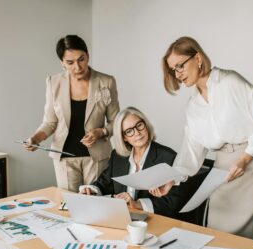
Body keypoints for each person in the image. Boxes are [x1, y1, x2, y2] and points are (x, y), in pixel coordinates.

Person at [152, 36, 253, 240]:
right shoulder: (193, 106)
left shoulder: (230, 82)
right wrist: (172, 180)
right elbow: (191, 151)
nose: (178, 74)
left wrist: (246, 157)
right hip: (225, 169)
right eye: (173, 70)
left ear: (198, 58)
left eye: (180, 66)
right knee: (218, 233)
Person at [24, 35, 120, 192]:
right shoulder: (53, 82)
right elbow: (50, 122)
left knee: (96, 203)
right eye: (70, 62)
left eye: (81, 59)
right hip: (63, 157)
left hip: (96, 157)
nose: (77, 67)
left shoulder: (106, 81)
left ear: (88, 56)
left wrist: (101, 131)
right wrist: (35, 138)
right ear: (62, 63)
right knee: (69, 206)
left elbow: (116, 121)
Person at [79, 107, 187, 218]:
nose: (137, 133)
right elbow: (104, 183)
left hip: (153, 220)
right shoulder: (118, 156)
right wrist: (90, 190)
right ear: (124, 137)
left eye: (139, 125)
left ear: (146, 125)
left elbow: (173, 203)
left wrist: (137, 204)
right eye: (129, 131)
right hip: (121, 217)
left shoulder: (168, 157)